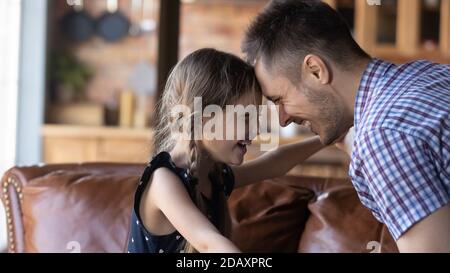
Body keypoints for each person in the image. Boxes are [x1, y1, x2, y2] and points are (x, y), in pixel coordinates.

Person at [242, 0, 450, 252]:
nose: (283, 118)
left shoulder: (381, 136)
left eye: (280, 100)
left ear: (316, 70)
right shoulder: (429, 74)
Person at [127, 48, 324, 253]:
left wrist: (327, 136)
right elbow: (209, 244)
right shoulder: (164, 181)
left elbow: (274, 163)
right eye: (244, 118)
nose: (255, 130)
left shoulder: (213, 176)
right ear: (205, 119)